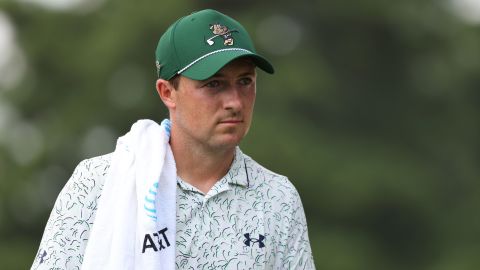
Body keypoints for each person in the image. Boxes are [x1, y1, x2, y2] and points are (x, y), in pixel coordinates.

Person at [31, 9, 315, 270]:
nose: (234, 102)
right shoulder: (98, 182)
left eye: (245, 82)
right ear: (167, 92)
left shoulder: (278, 198)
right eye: (214, 84)